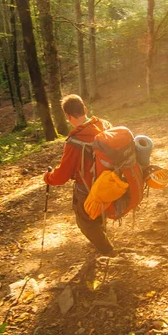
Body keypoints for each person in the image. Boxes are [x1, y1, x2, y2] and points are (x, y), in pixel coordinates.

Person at [43, 94, 115, 256]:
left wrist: (47, 177)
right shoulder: (105, 125)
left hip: (88, 187)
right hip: (110, 181)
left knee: (85, 222)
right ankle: (101, 238)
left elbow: (61, 177)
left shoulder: (75, 141)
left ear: (68, 117)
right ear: (85, 109)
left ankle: (107, 250)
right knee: (96, 214)